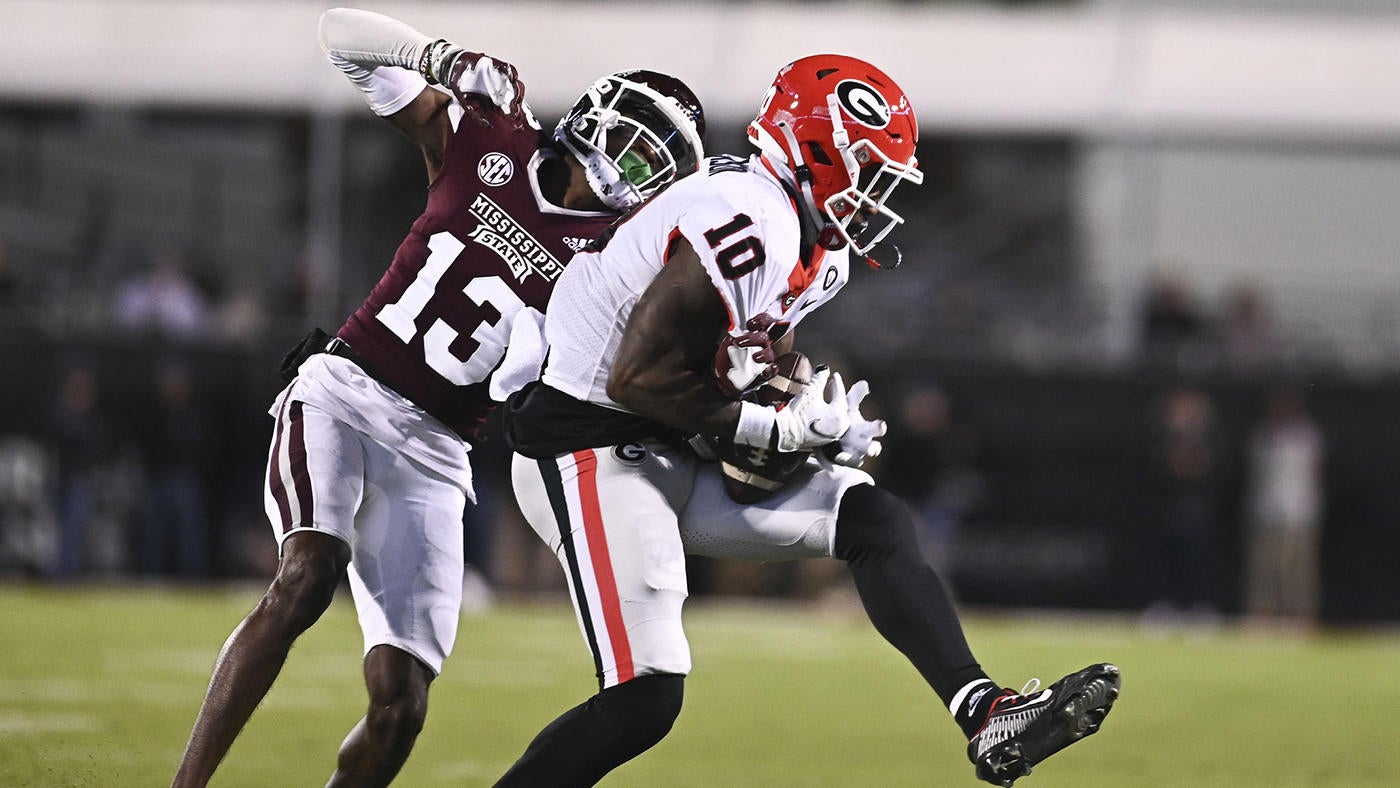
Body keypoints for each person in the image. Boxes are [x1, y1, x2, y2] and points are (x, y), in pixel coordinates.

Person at [499, 54, 1119, 787]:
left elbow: (754, 361)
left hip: (662, 441)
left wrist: (805, 411)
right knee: (645, 697)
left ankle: (986, 717)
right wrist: (766, 429)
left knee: (873, 519)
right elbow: (637, 375)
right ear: (817, 150)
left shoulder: (814, 248)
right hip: (585, 443)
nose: (880, 197)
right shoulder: (750, 214)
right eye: (870, 172)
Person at [170, 8, 705, 787]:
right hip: (347, 392)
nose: (633, 170)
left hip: (439, 449)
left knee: (401, 705)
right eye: (632, 142)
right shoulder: (492, 141)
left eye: (655, 165)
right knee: (307, 574)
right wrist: (444, 60)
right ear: (594, 116)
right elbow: (339, 35)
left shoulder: (615, 266)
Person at [1243, 385, 1325, 626]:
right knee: (1265, 568)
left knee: (1299, 569)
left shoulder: (1308, 436)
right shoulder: (1264, 436)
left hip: (1300, 511)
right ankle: (1262, 616)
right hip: (1268, 510)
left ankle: (1300, 617)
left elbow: (1316, 474)